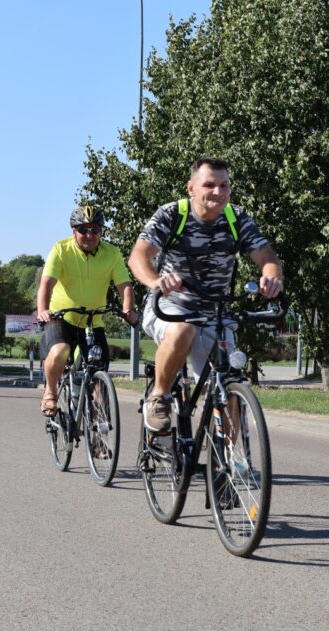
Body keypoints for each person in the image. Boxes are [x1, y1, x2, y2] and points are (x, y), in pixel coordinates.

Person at [128, 156, 284, 432]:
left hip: (215, 312)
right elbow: (139, 256)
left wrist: (271, 276)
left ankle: (228, 467)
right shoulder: (172, 214)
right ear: (191, 188)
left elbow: (266, 255)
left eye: (224, 186)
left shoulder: (236, 217)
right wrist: (156, 280)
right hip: (169, 304)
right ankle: (160, 397)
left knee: (228, 384)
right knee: (183, 331)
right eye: (209, 184)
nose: (218, 192)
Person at [35, 205, 138, 416]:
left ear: (101, 231)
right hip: (61, 318)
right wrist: (43, 310)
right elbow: (46, 284)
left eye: (95, 230)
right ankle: (50, 393)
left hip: (93, 321)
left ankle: (101, 440)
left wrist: (128, 309)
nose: (89, 235)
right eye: (83, 230)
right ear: (74, 230)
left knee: (99, 373)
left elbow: (125, 286)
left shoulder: (112, 253)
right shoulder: (61, 250)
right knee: (60, 350)